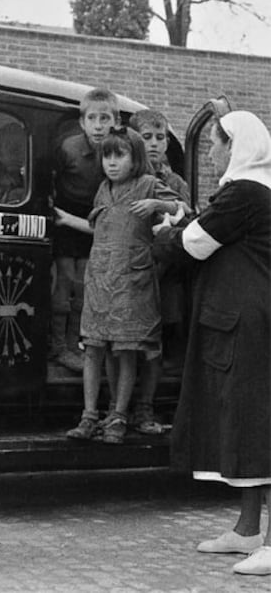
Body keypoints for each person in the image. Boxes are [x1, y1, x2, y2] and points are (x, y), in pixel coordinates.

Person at [153, 111, 271, 576]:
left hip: (250, 324)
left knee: (259, 426)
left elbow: (193, 246)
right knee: (245, 423)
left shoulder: (244, 192)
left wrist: (168, 233)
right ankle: (247, 530)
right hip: (242, 321)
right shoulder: (251, 191)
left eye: (216, 145)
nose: (211, 153)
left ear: (235, 146)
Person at [66, 126, 182, 444]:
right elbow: (105, 227)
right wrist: (64, 218)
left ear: (135, 158)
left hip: (132, 281)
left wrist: (157, 206)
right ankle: (89, 415)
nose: (112, 163)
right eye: (107, 156)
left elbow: (181, 208)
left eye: (120, 156)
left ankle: (118, 415)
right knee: (94, 348)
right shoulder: (103, 189)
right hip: (101, 278)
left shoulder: (148, 184)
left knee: (127, 350)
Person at [125, 109, 191, 434]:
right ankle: (117, 409)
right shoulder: (124, 175)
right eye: (146, 137)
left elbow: (185, 218)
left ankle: (146, 407)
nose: (154, 144)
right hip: (128, 270)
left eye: (160, 137)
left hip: (161, 269)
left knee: (154, 344)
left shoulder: (175, 182)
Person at [51, 88, 119, 373]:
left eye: (105, 118)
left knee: (84, 287)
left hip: (96, 223)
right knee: (63, 283)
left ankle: (73, 345)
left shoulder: (117, 151)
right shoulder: (69, 148)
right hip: (65, 222)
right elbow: (50, 179)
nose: (99, 125)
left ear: (115, 121)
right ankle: (57, 347)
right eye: (93, 118)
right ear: (82, 122)